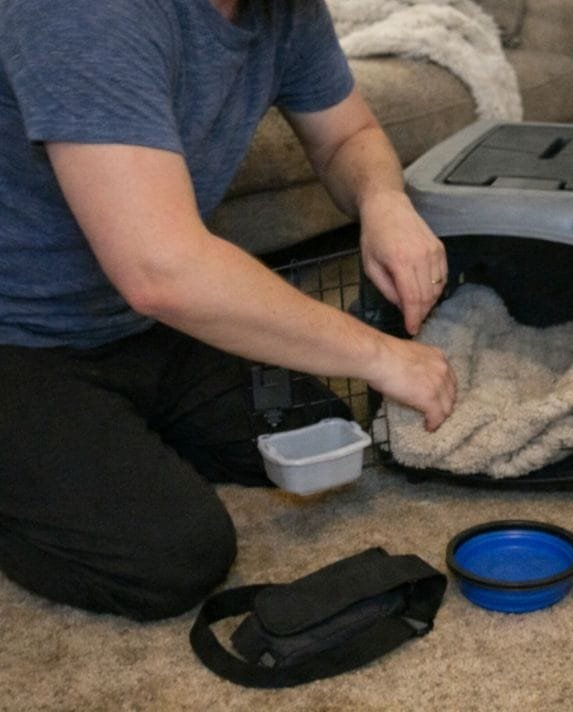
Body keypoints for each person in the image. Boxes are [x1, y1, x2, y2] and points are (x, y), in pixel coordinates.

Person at [0, 0, 457, 621]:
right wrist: (378, 354)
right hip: (17, 333)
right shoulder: (85, 11)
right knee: (172, 559)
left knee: (313, 433)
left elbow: (349, 136)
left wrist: (384, 201)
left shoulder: (285, 9)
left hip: (134, 323)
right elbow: (160, 271)